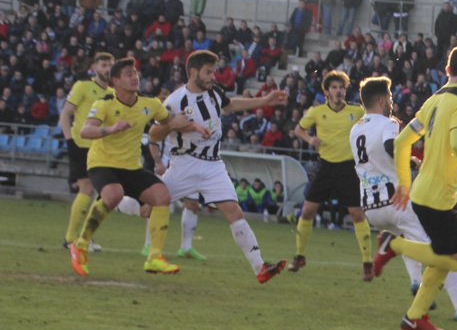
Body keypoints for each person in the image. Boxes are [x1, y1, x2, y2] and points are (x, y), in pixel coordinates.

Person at [372, 45, 457, 330]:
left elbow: (402, 142)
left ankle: (414, 316)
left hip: (423, 192)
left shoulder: (434, 99)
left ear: (447, 70)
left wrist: (405, 181)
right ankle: (393, 245)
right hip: (438, 197)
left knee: (444, 258)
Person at [350, 76, 457, 322]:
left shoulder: (356, 128)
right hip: (395, 203)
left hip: (371, 207)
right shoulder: (388, 123)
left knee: (412, 238)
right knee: (444, 249)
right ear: (382, 101)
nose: (392, 101)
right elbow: (393, 146)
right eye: (390, 97)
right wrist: (412, 160)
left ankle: (414, 278)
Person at [146, 51, 287, 282]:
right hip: (185, 164)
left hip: (213, 165)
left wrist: (264, 100)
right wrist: (174, 123)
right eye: (208, 72)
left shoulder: (214, 92)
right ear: (193, 72)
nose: (213, 76)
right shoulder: (174, 100)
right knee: (146, 207)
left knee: (234, 211)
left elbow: (230, 105)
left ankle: (260, 267)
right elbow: (154, 133)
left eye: (214, 71)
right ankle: (115, 199)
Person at [67, 59, 195, 276]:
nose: (135, 77)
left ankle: (154, 257)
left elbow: (168, 121)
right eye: (128, 74)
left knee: (162, 196)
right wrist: (112, 128)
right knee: (113, 195)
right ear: (116, 81)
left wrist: (193, 124)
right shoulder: (104, 103)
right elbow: (85, 131)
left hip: (130, 167)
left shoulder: (150, 103)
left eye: (135, 72)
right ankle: (79, 245)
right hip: (102, 163)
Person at [288, 70, 377, 279]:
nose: (338, 91)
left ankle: (367, 263)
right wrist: (310, 140)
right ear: (326, 91)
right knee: (307, 210)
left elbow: (374, 124)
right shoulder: (317, 112)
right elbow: (298, 130)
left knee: (357, 214)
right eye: (334, 88)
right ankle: (299, 256)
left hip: (348, 168)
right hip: (325, 166)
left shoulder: (356, 111)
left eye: (341, 88)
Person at [58, 53, 114, 253]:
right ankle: (71, 239)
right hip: (81, 145)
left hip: (101, 148)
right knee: (87, 189)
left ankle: (84, 237)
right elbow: (65, 113)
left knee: (101, 192)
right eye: (103, 64)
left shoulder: (112, 92)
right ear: (94, 67)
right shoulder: (82, 86)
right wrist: (69, 141)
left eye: (109, 65)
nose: (107, 68)